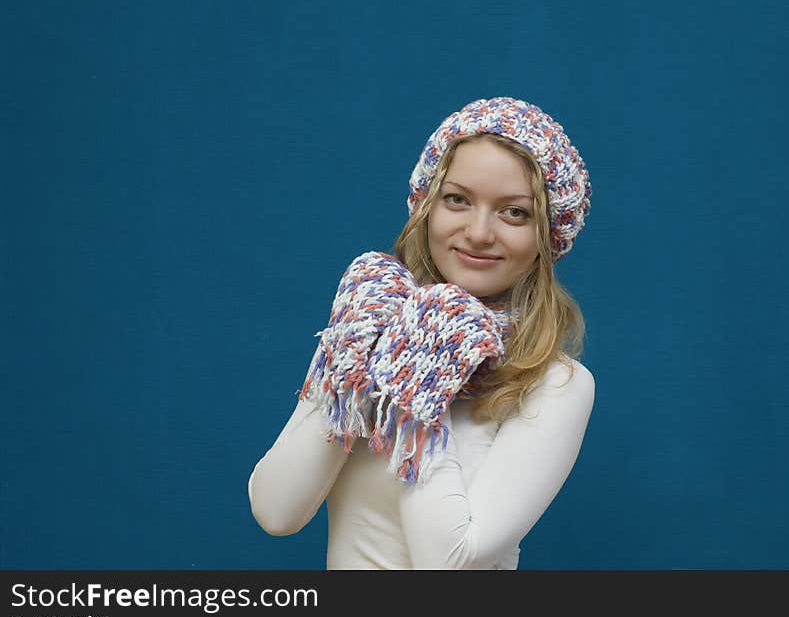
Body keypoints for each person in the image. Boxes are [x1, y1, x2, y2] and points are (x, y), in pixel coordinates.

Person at [248, 97, 596, 569]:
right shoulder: (371, 329)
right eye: (457, 199)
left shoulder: (556, 384)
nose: (478, 232)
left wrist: (419, 383)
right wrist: (359, 356)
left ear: (547, 237)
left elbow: (450, 561)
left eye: (514, 212)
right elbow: (277, 510)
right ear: (426, 206)